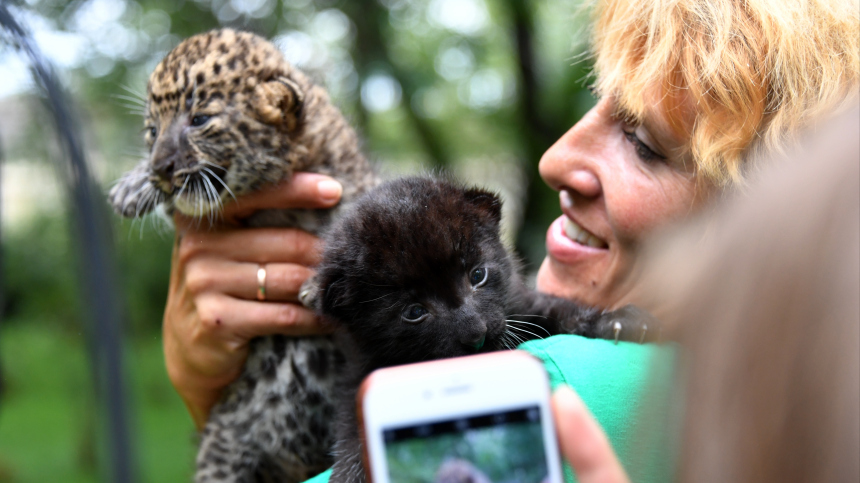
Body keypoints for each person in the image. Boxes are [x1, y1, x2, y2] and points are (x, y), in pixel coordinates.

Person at [161, 0, 859, 475]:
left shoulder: (530, 393)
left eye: (645, 143)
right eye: (596, 105)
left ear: (774, 219)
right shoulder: (806, 419)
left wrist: (215, 399)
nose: (555, 156)